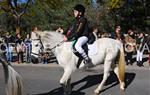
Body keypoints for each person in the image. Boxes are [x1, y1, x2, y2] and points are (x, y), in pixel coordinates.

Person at [56, 4, 93, 69]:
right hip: (79, 37)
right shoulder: (76, 21)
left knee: (77, 46)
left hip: (84, 36)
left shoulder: (83, 20)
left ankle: (87, 59)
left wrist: (68, 37)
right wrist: (63, 32)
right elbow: (71, 29)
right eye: (74, 11)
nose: (74, 13)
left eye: (75, 11)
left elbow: (78, 31)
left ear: (80, 13)